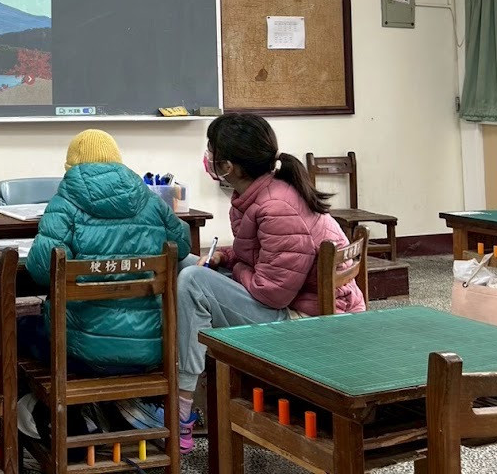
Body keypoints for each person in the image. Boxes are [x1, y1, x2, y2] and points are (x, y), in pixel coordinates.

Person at [161, 113, 365, 454]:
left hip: (308, 324)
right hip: (297, 303)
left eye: (212, 151)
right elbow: (260, 256)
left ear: (230, 166)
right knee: (186, 264)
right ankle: (183, 384)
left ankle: (183, 407)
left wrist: (235, 266)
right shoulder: (261, 194)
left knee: (194, 280)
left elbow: (272, 292)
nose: (208, 158)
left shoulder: (276, 206)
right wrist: (224, 258)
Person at [21, 129, 191, 373]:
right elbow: (182, 247)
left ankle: (35, 397)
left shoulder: (64, 204)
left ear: (71, 167)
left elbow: (42, 271)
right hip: (150, 350)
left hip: (80, 352)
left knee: (20, 328)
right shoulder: (151, 200)